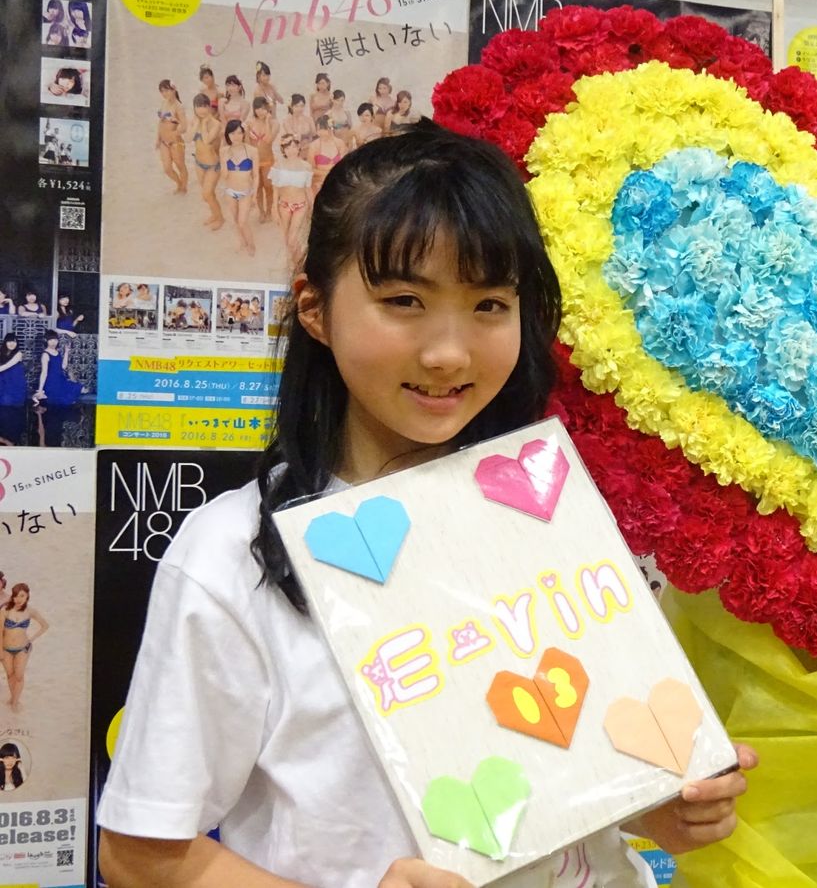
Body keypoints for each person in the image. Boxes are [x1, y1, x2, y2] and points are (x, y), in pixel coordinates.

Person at [97, 121, 756, 888]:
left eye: (489, 305)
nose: (449, 353)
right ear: (314, 308)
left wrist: (662, 808)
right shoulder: (232, 552)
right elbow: (140, 854)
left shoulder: (545, 502)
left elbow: (568, 764)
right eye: (405, 300)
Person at [2, 584, 48, 711]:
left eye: (22, 596)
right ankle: (13, 697)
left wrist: (31, 639)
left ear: (27, 596)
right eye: (16, 596)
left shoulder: (30, 611)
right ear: (12, 597)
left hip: (23, 649)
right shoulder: (5, 610)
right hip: (6, 649)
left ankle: (15, 702)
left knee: (19, 676)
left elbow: (45, 625)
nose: (18, 599)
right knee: (10, 675)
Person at [269, 134, 313, 266]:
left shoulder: (306, 166)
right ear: (283, 149)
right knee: (286, 238)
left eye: (294, 147)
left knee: (292, 238)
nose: (291, 150)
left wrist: (312, 207)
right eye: (288, 148)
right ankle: (297, 263)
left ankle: (300, 264)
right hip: (283, 205)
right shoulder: (278, 165)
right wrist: (274, 208)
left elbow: (308, 189)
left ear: (299, 147)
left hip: (301, 205)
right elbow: (275, 189)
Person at [221, 120, 259, 256]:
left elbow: (256, 175)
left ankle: (251, 244)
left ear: (244, 134)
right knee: (236, 220)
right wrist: (225, 160)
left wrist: (254, 195)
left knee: (243, 221)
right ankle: (242, 242)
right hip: (230, 191)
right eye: (232, 133)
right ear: (227, 135)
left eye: (239, 133)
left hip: (246, 192)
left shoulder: (252, 151)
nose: (236, 136)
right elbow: (224, 176)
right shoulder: (224, 151)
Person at [192, 93, 224, 230]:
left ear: (209, 107)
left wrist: (204, 124)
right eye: (198, 107)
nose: (201, 110)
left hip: (212, 165)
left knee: (206, 193)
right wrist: (196, 124)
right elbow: (187, 138)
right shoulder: (194, 121)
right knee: (209, 195)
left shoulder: (216, 124)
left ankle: (220, 218)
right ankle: (215, 214)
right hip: (199, 163)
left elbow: (206, 140)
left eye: (204, 106)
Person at [32, 330, 86, 405]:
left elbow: (63, 366)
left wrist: (66, 352)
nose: (53, 342)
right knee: (63, 400)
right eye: (50, 340)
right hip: (51, 383)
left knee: (82, 389)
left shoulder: (57, 352)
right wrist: (40, 390)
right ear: (46, 341)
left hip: (61, 380)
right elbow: (44, 373)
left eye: (55, 340)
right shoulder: (45, 354)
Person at [247, 97, 278, 223]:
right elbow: (247, 143)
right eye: (257, 108)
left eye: (263, 108)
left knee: (268, 186)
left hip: (267, 159)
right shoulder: (250, 122)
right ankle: (261, 212)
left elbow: (268, 140)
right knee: (258, 187)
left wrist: (267, 122)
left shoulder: (274, 123)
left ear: (268, 109)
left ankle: (269, 211)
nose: (260, 111)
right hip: (254, 160)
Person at [155, 79, 189, 194]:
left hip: (175, 142)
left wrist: (174, 133)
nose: (164, 93)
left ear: (174, 90)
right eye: (162, 91)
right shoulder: (163, 103)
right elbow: (161, 122)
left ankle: (184, 188)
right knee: (167, 169)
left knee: (180, 166)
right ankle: (179, 183)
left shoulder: (179, 107)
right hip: (164, 142)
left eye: (167, 90)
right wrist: (158, 138)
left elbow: (184, 127)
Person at [309, 114, 345, 191]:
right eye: (318, 130)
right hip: (320, 181)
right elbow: (311, 169)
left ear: (330, 128)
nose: (320, 132)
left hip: (337, 180)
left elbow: (344, 165)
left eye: (323, 129)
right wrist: (328, 174)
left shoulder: (340, 143)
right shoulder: (314, 146)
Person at [0, 335, 25, 406]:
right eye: (9, 341)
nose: (12, 344)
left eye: (14, 342)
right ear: (5, 342)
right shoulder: (1, 353)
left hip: (15, 383)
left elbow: (7, 365)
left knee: (12, 404)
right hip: (3, 382)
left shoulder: (19, 354)